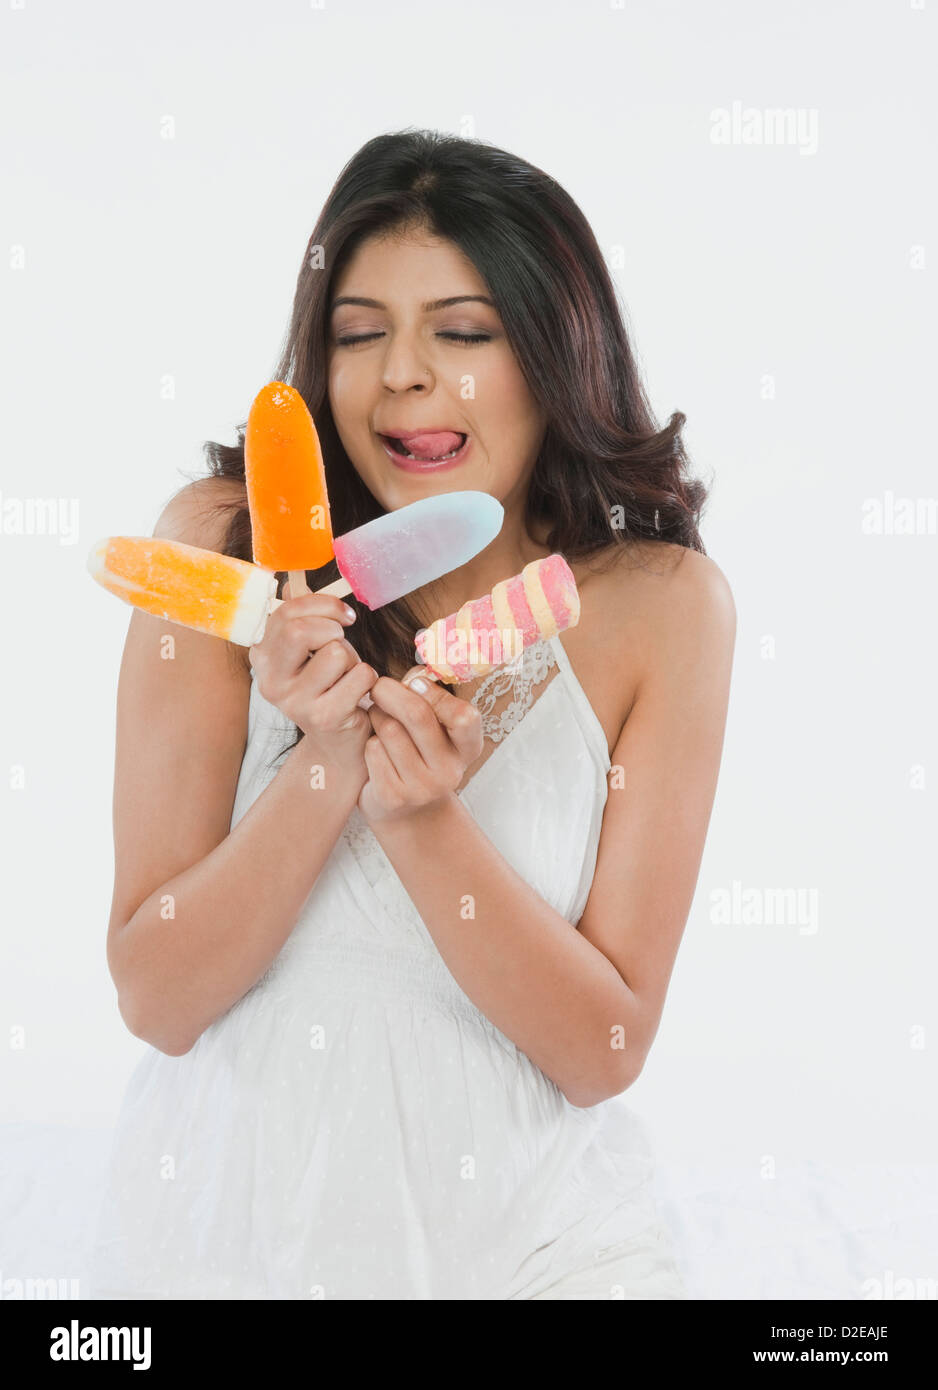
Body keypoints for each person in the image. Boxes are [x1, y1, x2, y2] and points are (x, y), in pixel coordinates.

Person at [88, 129, 735, 1300]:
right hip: (231, 1239)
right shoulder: (221, 547)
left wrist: (423, 819)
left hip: (546, 1251)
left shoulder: (657, 604)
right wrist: (325, 758)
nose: (401, 375)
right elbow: (157, 996)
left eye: (463, 331)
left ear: (553, 352)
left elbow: (603, 1052)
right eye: (358, 332)